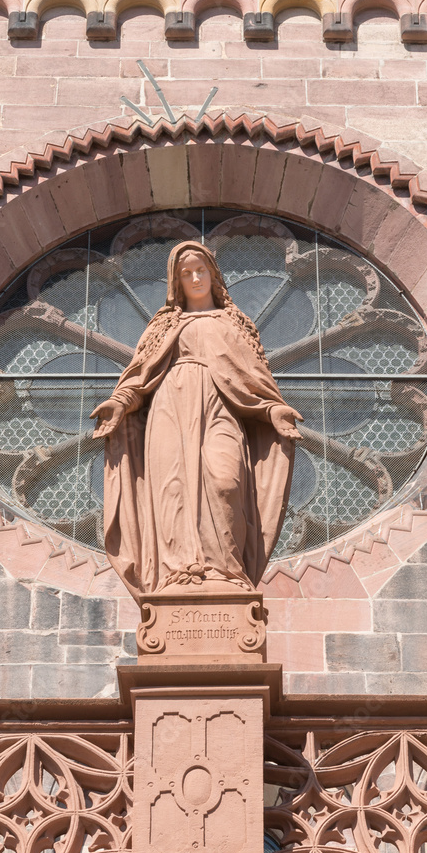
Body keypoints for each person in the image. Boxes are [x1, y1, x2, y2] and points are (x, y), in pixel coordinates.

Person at [91, 240, 301, 602]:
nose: (195, 277)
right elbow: (140, 375)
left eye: (200, 270)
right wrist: (119, 402)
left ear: (213, 275)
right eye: (186, 273)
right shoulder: (165, 325)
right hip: (169, 409)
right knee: (172, 490)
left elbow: (252, 379)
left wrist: (273, 410)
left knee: (225, 481)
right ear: (177, 282)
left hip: (222, 409)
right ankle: (177, 573)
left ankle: (226, 570)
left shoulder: (233, 324)